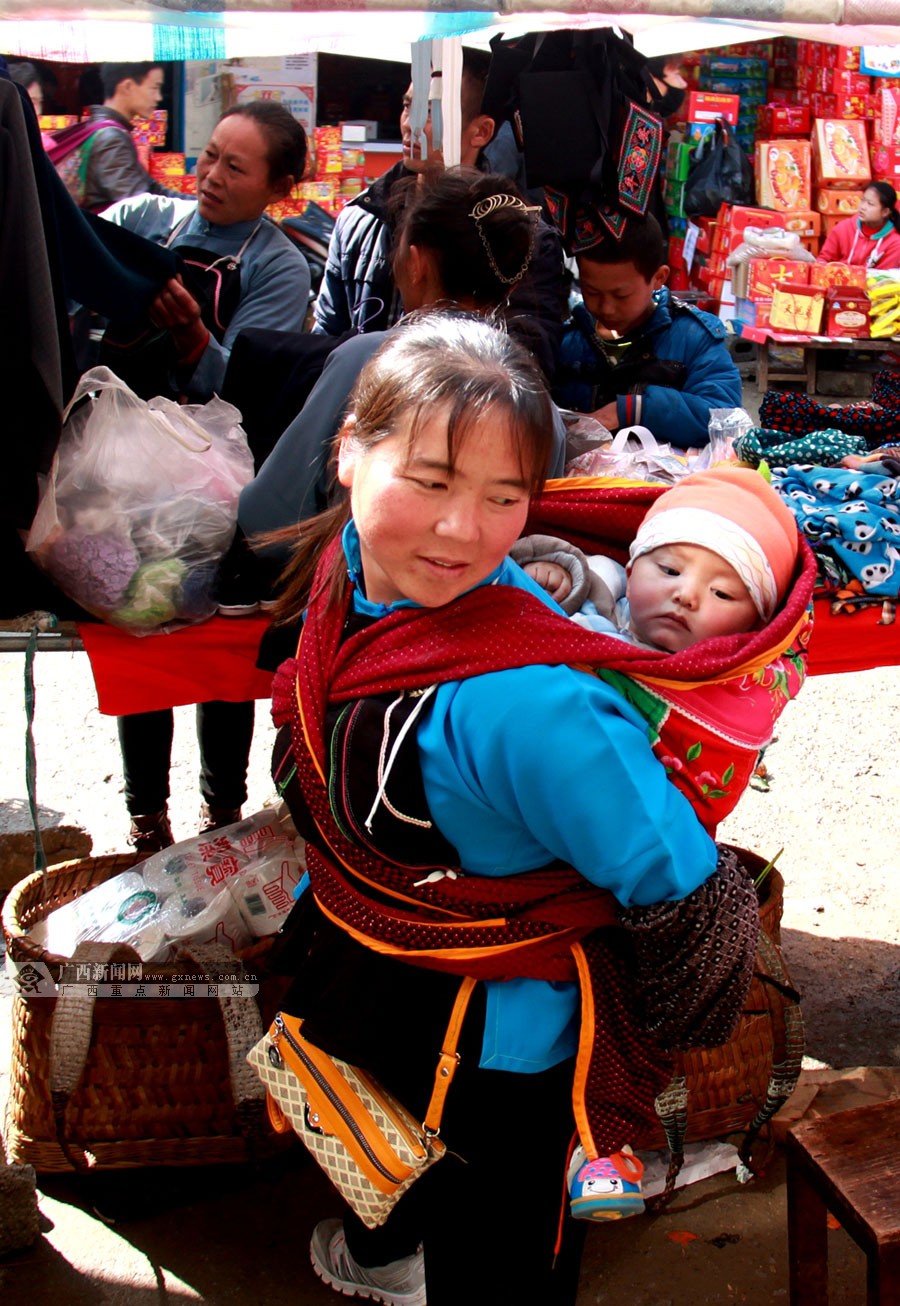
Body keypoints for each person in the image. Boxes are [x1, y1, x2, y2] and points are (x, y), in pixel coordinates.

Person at [265, 313, 762, 1305]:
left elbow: (685, 896)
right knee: (400, 1184)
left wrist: (649, 1032)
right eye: (433, 480)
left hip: (496, 1058)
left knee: (495, 1264)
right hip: (375, 989)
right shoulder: (348, 580)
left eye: (503, 497)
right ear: (349, 453)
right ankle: (390, 1254)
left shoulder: (537, 702)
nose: (462, 532)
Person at [95, 100, 311, 856]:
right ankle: (145, 816)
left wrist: (193, 333)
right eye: (209, 156)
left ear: (277, 187)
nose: (211, 178)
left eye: (235, 167)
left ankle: (222, 810)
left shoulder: (278, 265)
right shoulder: (145, 218)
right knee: (141, 624)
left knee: (219, 640)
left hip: (216, 473)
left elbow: (256, 384)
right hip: (124, 466)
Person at [239, 166, 566, 564]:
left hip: (351, 599)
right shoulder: (539, 405)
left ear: (416, 263)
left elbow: (267, 517)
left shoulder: (367, 360)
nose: (457, 530)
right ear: (512, 286)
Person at [312, 48, 567, 379]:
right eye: (408, 107)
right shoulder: (362, 217)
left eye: (431, 111)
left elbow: (529, 364)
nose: (411, 125)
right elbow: (324, 341)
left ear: (481, 132)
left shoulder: (521, 236)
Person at [514, 465, 800, 651]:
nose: (686, 595)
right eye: (670, 570)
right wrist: (556, 576)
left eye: (721, 593)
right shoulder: (602, 602)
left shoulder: (728, 690)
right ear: (631, 571)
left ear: (756, 626)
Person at [552, 213, 742, 449]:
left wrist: (634, 410)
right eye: (592, 293)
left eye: (621, 296)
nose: (606, 308)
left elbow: (725, 420)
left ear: (658, 278)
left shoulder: (694, 337)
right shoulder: (568, 341)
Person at [79, 62, 184, 212]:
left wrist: (195, 205)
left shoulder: (111, 131)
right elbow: (138, 208)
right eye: (154, 88)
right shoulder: (111, 139)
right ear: (128, 86)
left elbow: (153, 188)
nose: (159, 97)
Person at [816, 181, 900, 269]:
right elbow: (824, 259)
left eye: (870, 204)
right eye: (862, 200)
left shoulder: (895, 243)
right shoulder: (844, 228)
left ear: (885, 212)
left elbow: (883, 277)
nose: (863, 207)